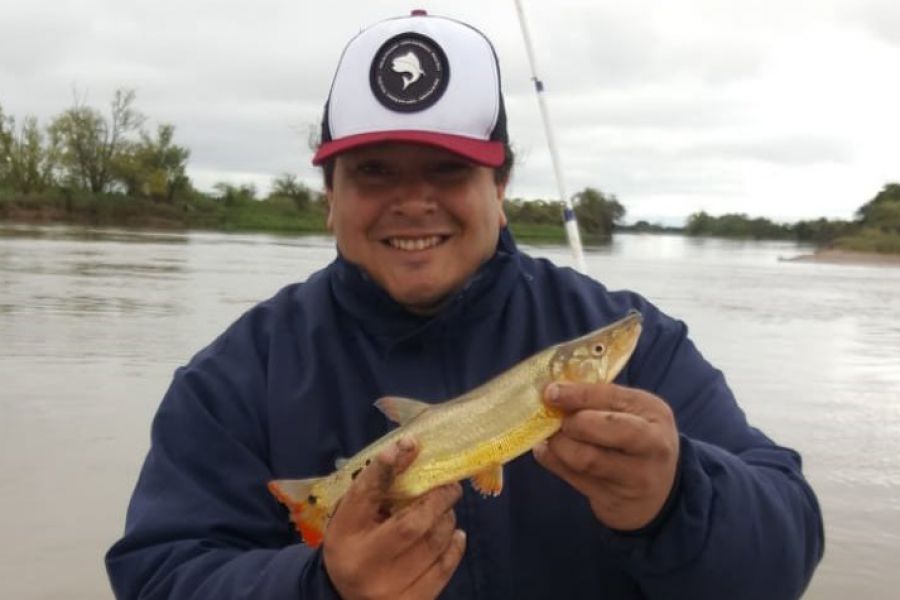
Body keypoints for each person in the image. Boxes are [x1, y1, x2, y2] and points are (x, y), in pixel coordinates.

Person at [106, 11, 824, 599]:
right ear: (330, 194)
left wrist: (674, 500)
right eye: (374, 171)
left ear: (501, 184)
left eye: (448, 169)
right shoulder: (234, 377)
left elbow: (785, 553)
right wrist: (317, 586)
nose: (412, 200)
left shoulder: (642, 345)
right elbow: (158, 575)